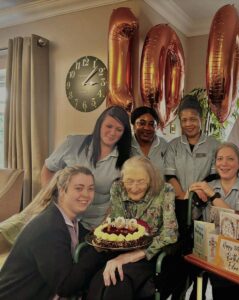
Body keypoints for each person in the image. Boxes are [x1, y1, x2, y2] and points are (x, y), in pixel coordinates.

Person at [0, 166, 107, 299]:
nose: (86, 194)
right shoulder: (48, 229)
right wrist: (97, 248)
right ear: (62, 191)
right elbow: (65, 287)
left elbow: (89, 245)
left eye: (90, 188)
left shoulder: (71, 223)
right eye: (79, 188)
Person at [87, 156, 178, 300]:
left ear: (150, 179)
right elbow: (115, 223)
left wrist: (130, 256)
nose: (134, 188)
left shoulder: (165, 190)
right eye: (129, 181)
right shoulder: (117, 188)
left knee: (118, 280)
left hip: (150, 255)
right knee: (101, 279)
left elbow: (170, 233)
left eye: (141, 181)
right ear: (122, 179)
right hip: (120, 250)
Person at [41, 105, 132, 230]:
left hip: (96, 225)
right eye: (109, 126)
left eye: (119, 129)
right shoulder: (73, 143)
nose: (112, 133)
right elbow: (48, 168)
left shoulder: (126, 160)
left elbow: (118, 200)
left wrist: (102, 229)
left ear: (124, 133)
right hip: (63, 217)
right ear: (99, 124)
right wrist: (52, 202)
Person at [189, 142, 239, 300]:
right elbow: (192, 218)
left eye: (230, 159)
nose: (224, 163)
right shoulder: (208, 186)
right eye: (220, 159)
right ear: (215, 163)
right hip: (211, 257)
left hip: (238, 257)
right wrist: (193, 198)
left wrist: (212, 196)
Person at [165, 95, 220, 201]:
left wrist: (194, 195)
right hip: (178, 200)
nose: (188, 124)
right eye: (184, 120)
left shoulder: (214, 145)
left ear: (201, 119)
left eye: (193, 119)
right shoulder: (173, 145)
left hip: (204, 201)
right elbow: (170, 175)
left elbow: (214, 176)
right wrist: (183, 196)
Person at [130, 106, 168, 175]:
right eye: (142, 123)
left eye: (151, 124)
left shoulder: (164, 145)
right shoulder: (126, 145)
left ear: (156, 127)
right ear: (133, 125)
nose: (147, 128)